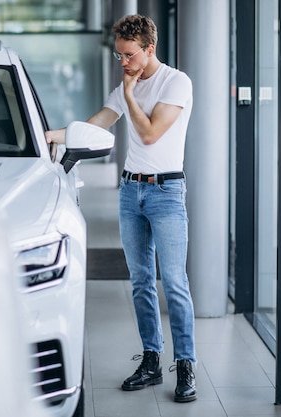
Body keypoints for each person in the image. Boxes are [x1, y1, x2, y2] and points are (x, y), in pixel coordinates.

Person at [45, 14, 197, 402]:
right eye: (119, 56)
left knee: (175, 283)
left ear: (149, 49)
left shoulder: (175, 82)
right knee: (141, 281)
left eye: (129, 56)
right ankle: (151, 360)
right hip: (131, 193)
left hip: (165, 192)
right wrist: (48, 136)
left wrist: (129, 94)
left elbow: (148, 135)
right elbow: (94, 126)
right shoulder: (125, 82)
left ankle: (185, 366)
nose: (123, 63)